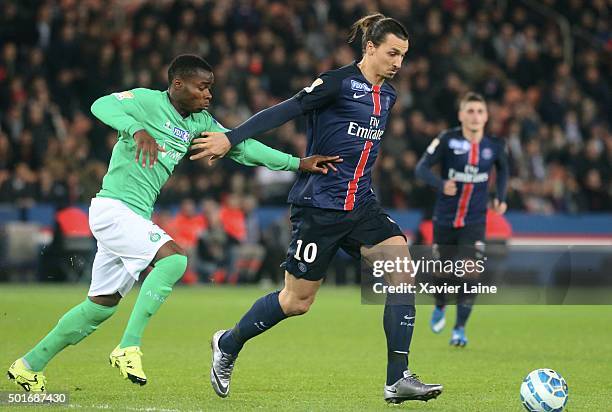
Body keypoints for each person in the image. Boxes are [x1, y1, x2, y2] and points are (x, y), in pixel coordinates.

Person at [7, 54, 340, 392]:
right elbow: (100, 105)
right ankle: (128, 346)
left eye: (211, 88)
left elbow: (243, 147)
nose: (209, 95)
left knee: (99, 308)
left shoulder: (200, 123)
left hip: (133, 217)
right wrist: (136, 129)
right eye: (202, 87)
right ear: (178, 84)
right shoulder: (146, 101)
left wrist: (297, 163)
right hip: (112, 209)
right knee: (175, 258)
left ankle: (28, 365)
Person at [191, 14, 443, 404]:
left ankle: (398, 379)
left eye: (404, 55)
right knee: (296, 302)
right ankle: (227, 342)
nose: (398, 62)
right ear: (370, 48)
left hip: (361, 205)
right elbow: (284, 111)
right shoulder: (336, 83)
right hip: (319, 207)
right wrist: (230, 137)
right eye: (392, 53)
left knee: (402, 271)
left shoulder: (388, 96)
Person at [415, 92, 509, 346]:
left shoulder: (495, 145)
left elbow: (503, 171)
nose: (475, 116)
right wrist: (440, 183)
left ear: (486, 116)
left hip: (475, 221)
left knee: (470, 272)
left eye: (480, 111)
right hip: (444, 218)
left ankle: (459, 329)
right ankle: (440, 305)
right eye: (470, 111)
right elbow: (421, 168)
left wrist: (500, 197)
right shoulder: (447, 140)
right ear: (461, 115)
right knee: (442, 272)